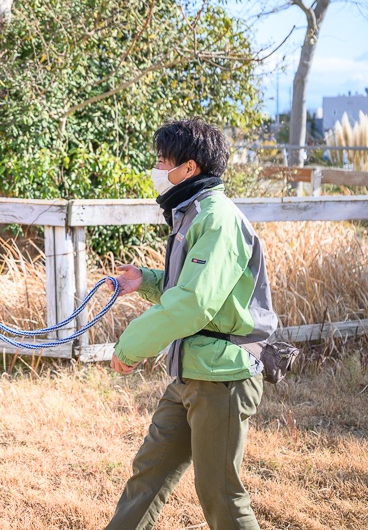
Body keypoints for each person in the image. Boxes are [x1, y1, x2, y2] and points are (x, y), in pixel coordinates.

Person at [105, 119, 277, 530]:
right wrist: (144, 281)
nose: (157, 168)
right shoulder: (192, 213)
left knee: (220, 494)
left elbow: (194, 304)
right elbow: (192, 288)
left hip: (222, 377)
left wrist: (129, 347)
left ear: (190, 168)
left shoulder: (218, 220)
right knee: (148, 475)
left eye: (163, 160)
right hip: (190, 371)